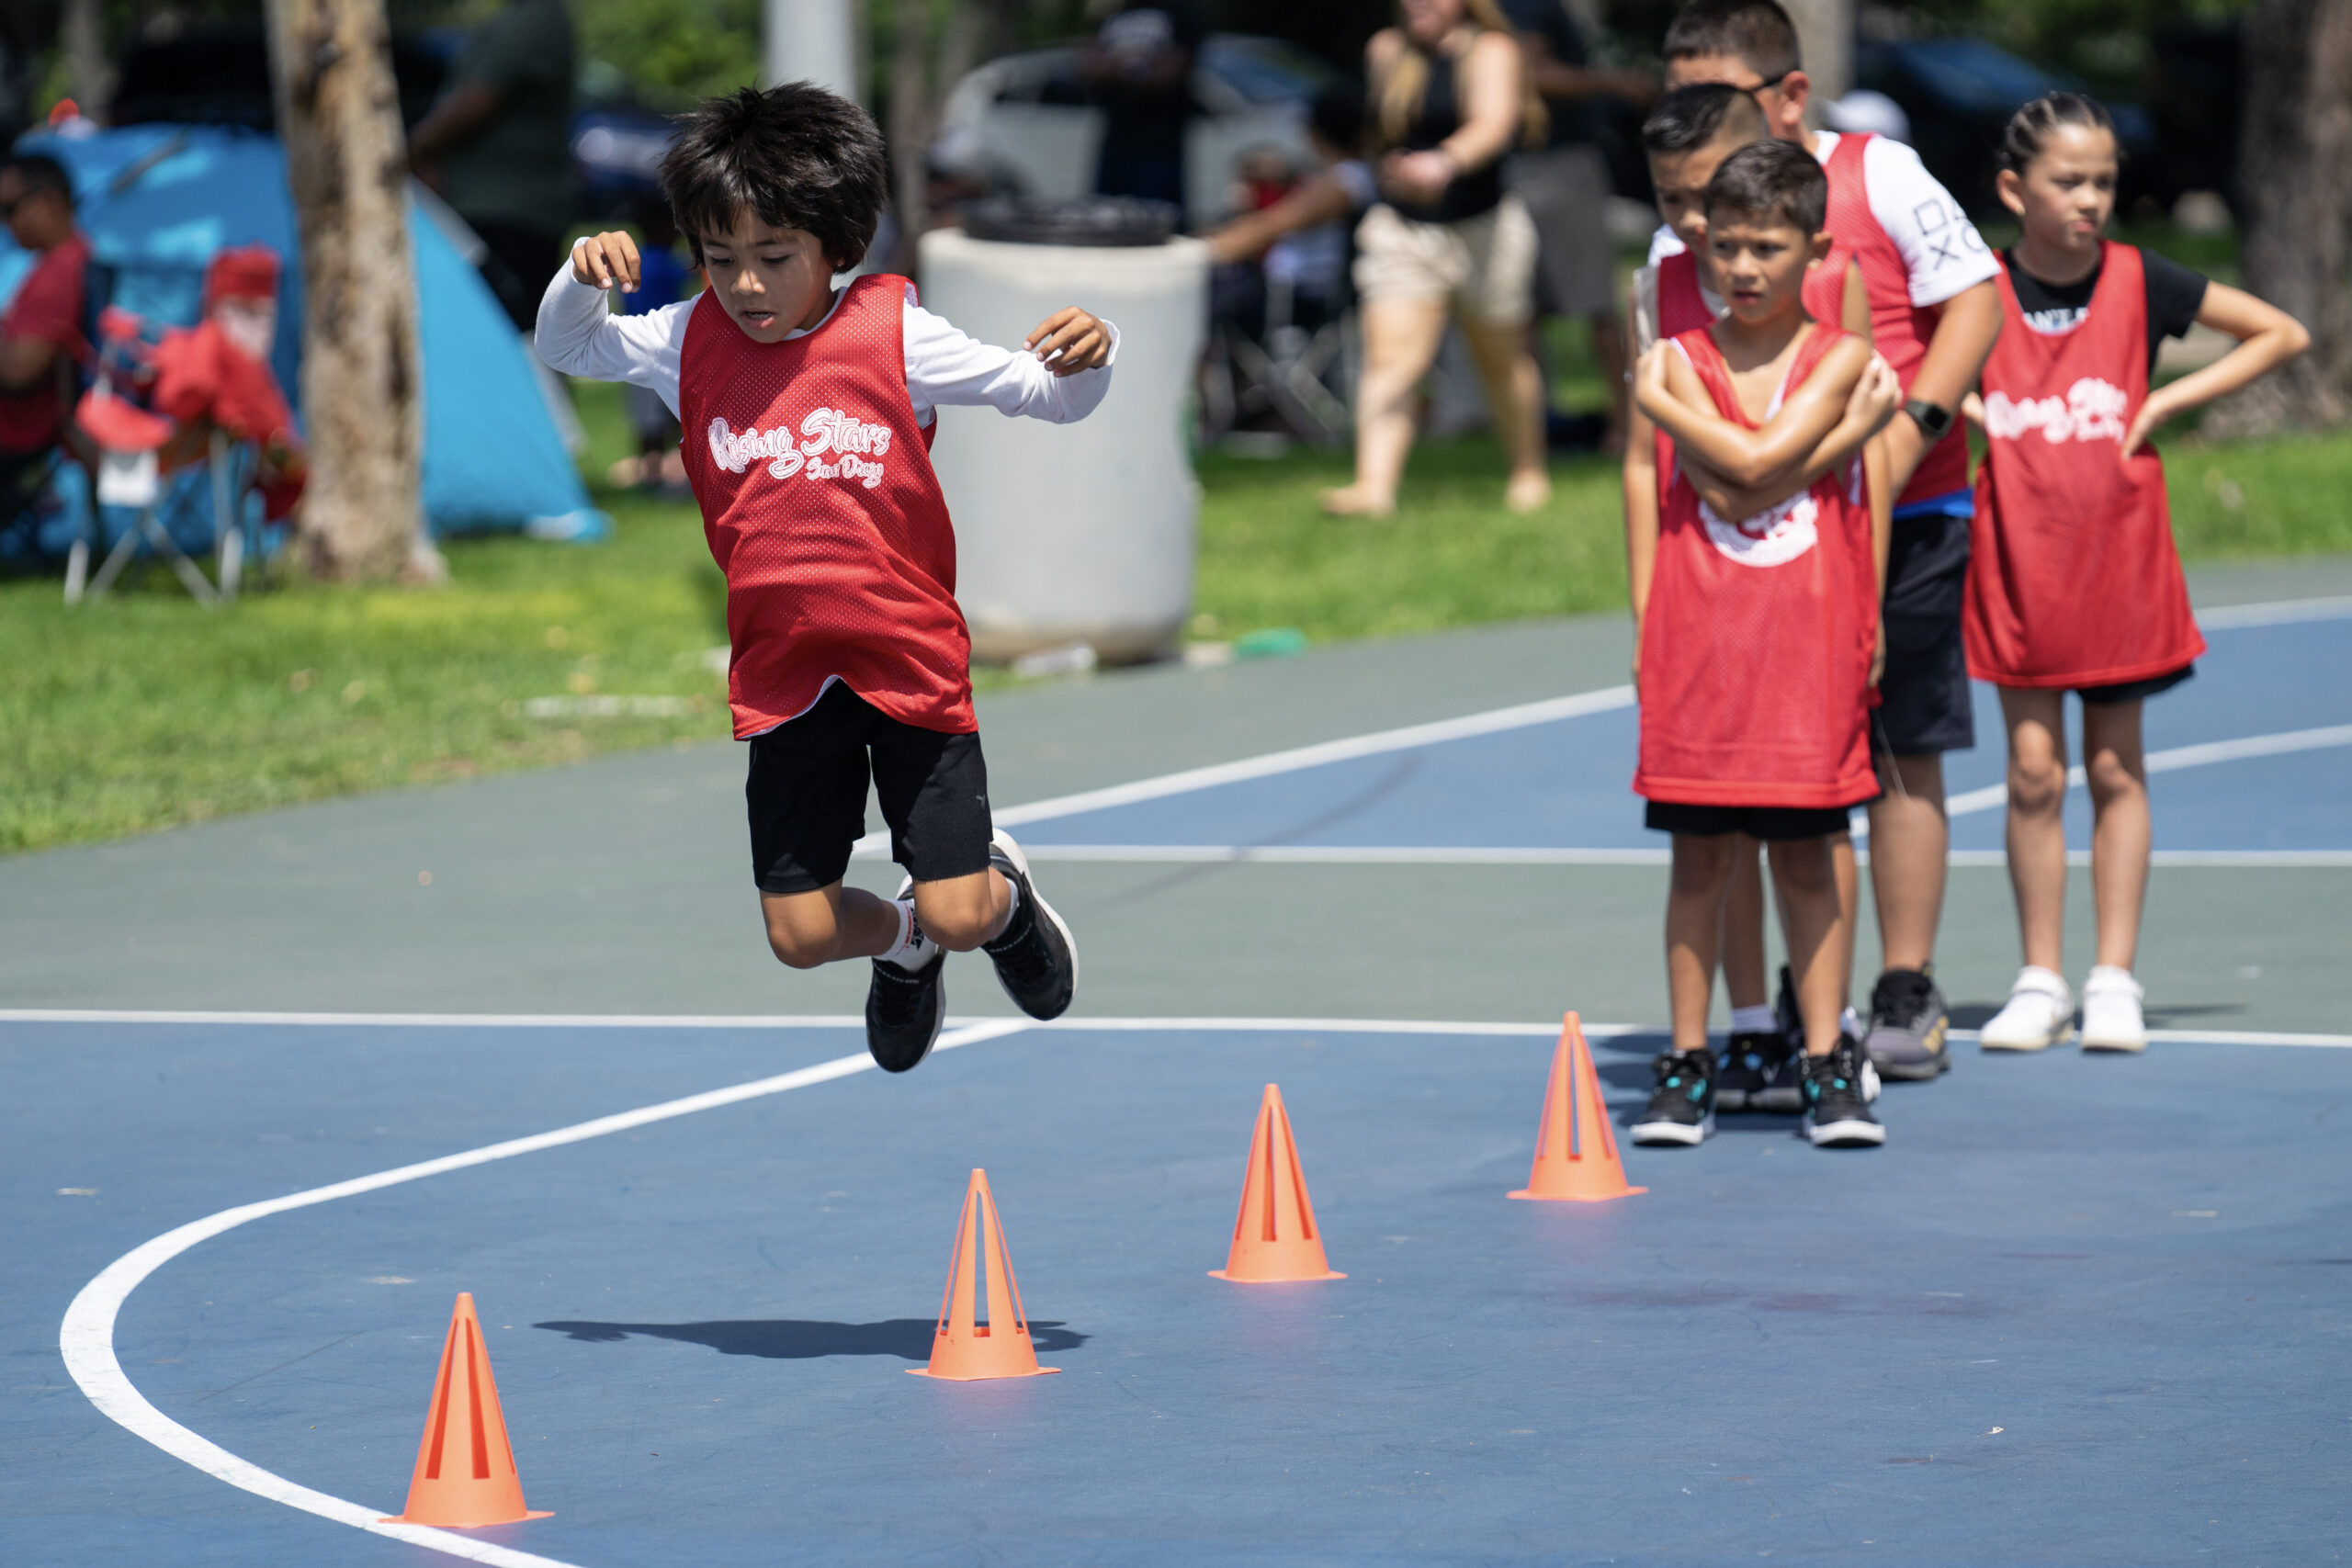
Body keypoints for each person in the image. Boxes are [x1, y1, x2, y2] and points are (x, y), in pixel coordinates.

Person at [535, 85, 1116, 1071]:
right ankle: (904, 947)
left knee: (964, 909)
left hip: (907, 659)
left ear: (837, 246)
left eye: (773, 259)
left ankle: (999, 903)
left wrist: (1090, 355)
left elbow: (1049, 397)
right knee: (799, 937)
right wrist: (579, 277)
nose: (747, 287)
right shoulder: (687, 340)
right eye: (721, 261)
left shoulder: (896, 335)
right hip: (785, 675)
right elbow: (567, 345)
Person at [1657, 0, 2004, 1087]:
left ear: (1788, 97)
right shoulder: (1692, 240)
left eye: (1719, 97)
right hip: (1763, 535)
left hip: (1905, 506)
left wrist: (1912, 432)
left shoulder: (1879, 176)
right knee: (1763, 784)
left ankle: (1902, 984)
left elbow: (1975, 304)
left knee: (1901, 747)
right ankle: (1782, 1011)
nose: (1698, 118)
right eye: (1679, 103)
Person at [1965, 94, 2307, 1054]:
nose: (2089, 199)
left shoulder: (2140, 280)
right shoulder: (1977, 290)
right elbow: (1888, 354)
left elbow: (2281, 333)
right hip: (2017, 559)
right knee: (2032, 775)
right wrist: (1962, 408)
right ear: (2011, 188)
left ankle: (2112, 975)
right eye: (2066, 181)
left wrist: (2167, 401)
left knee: (2115, 764)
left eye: (2103, 181)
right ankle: (2040, 977)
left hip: (2118, 561)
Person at [1624, 140, 1900, 1149]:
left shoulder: (1843, 359)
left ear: (1816, 251)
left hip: (1808, 646)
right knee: (1699, 864)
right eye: (1726, 247)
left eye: (1768, 249)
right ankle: (1688, 1062)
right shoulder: (1677, 364)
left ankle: (1827, 1061)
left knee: (1807, 862)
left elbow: (1746, 468)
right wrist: (1660, 399)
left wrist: (1664, 406)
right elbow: (1739, 473)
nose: (1743, 269)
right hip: (1702, 648)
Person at [1325, 0, 1550, 517]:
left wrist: (1443, 163)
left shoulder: (1491, 48)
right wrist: (1393, 170)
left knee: (1502, 360)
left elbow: (1494, 125)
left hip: (1484, 228)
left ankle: (1528, 471)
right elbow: (1382, 134)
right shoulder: (1385, 49)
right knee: (1392, 360)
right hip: (1403, 229)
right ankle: (1373, 489)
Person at [1498, 0, 1652, 453]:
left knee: (1544, 313)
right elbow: (1530, 72)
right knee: (1591, 310)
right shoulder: (1529, 7)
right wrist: (1615, 83)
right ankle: (1615, 428)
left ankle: (1573, 428)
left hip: (1540, 167)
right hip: (1550, 167)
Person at [409, 0, 577, 332]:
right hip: (488, 212)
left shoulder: (535, 18)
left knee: (512, 333)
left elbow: (474, 102)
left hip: (509, 215)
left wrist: (411, 152)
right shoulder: (518, 19)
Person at [0, 153, 90, 524]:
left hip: (20, 433)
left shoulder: (61, 273)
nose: (6, 224)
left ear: (50, 201)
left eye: (9, 208)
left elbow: (19, 371)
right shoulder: (61, 264)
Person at [1078, 1, 1207, 212]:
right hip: (1114, 142)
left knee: (1158, 227)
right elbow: (1088, 66)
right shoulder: (1115, 13)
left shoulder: (1181, 13)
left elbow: (1169, 73)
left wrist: (1116, 65)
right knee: (1103, 223)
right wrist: (1141, 65)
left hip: (1161, 146)